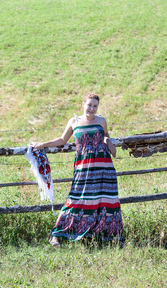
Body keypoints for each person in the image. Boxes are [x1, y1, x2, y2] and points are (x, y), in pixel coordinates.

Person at [29, 93, 123, 247]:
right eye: (89, 105)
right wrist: (43, 144)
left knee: (105, 200)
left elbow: (105, 135)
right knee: (75, 199)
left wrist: (109, 142)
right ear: (83, 104)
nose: (92, 108)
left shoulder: (102, 121)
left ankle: (107, 237)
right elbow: (62, 140)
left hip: (104, 167)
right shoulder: (74, 122)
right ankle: (57, 234)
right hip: (83, 167)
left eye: (95, 106)